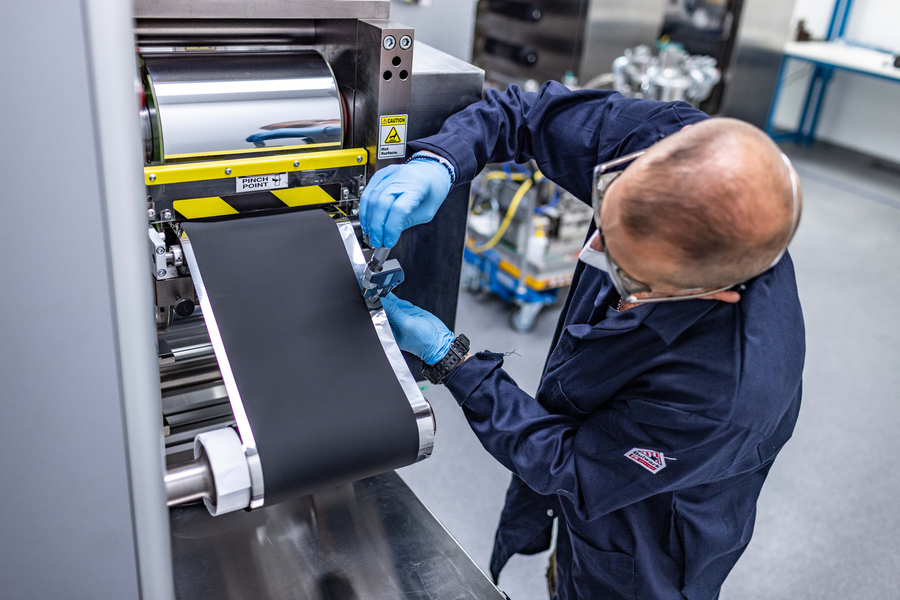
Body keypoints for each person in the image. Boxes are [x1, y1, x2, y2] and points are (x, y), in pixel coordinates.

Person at [359, 82, 805, 600]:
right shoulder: (670, 145)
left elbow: (572, 463)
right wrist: (440, 163)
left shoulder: (727, 394)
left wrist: (450, 358)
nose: (589, 251)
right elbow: (526, 112)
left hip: (646, 540)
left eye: (625, 271)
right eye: (605, 218)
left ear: (713, 293)